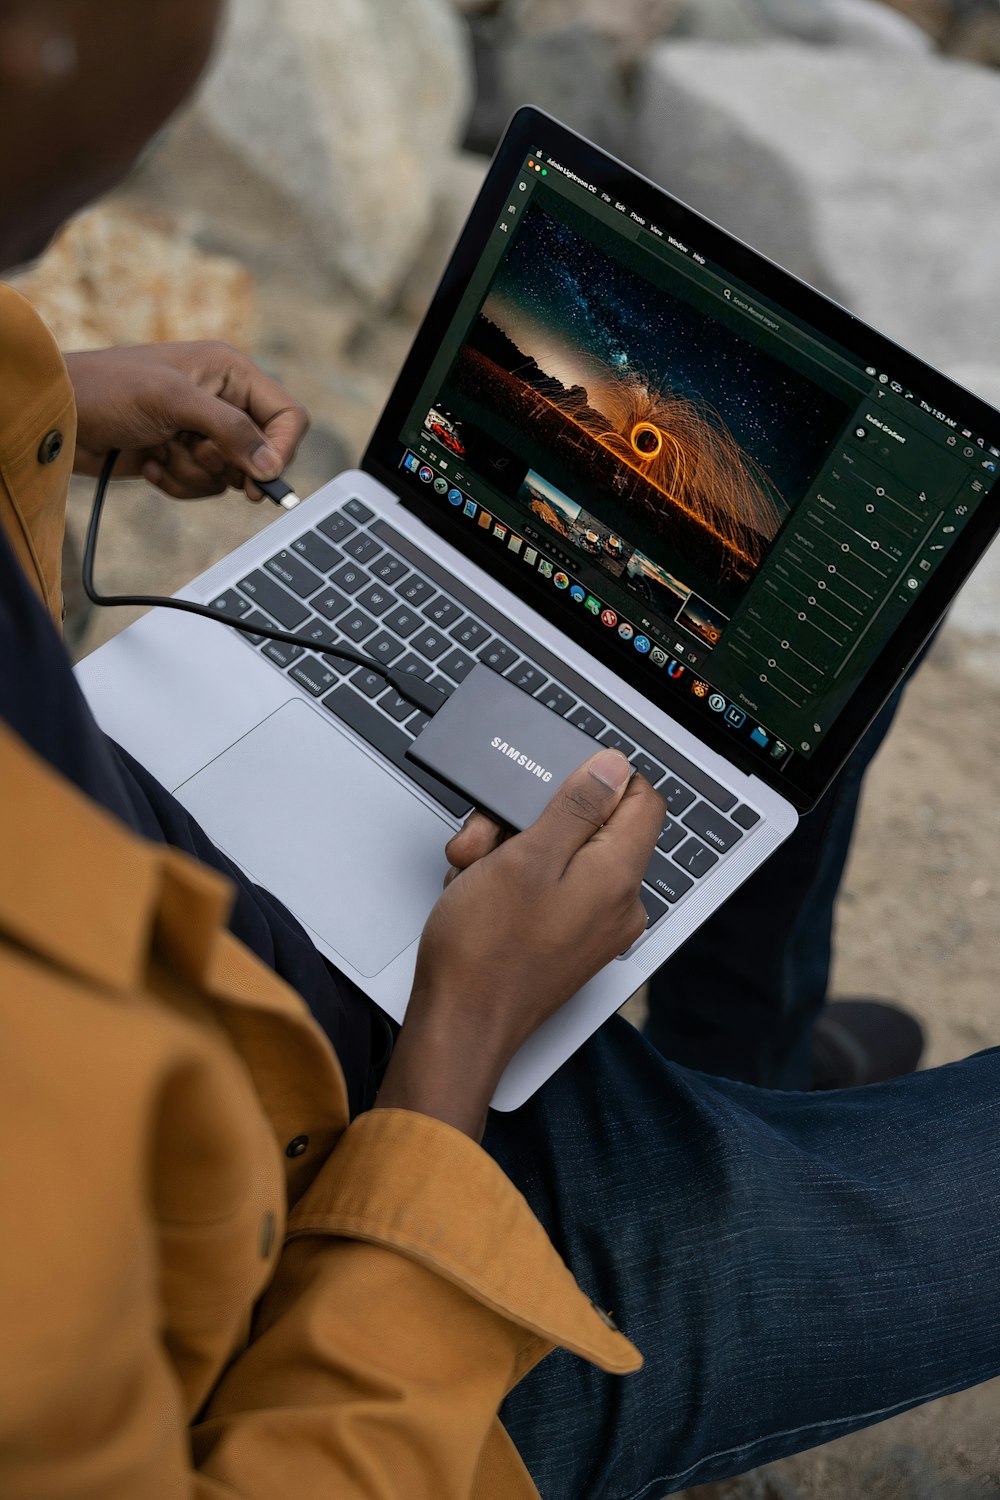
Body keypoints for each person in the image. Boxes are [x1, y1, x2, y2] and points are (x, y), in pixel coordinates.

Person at [1, 5, 998, 1498]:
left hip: (177, 914)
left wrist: (44, 402)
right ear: (34, 65)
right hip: (353, 1275)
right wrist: (457, 1048)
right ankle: (701, 1134)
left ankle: (744, 1080)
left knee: (824, 652)